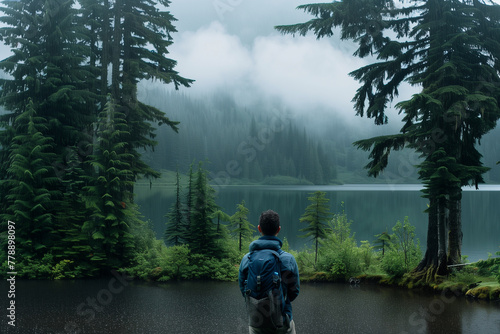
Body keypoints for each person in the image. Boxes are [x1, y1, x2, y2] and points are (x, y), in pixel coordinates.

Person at [239, 210, 300, 334]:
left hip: (257, 322)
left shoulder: (247, 259)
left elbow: (243, 289)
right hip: (282, 321)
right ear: (278, 229)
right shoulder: (288, 259)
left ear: (259, 228)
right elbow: (294, 291)